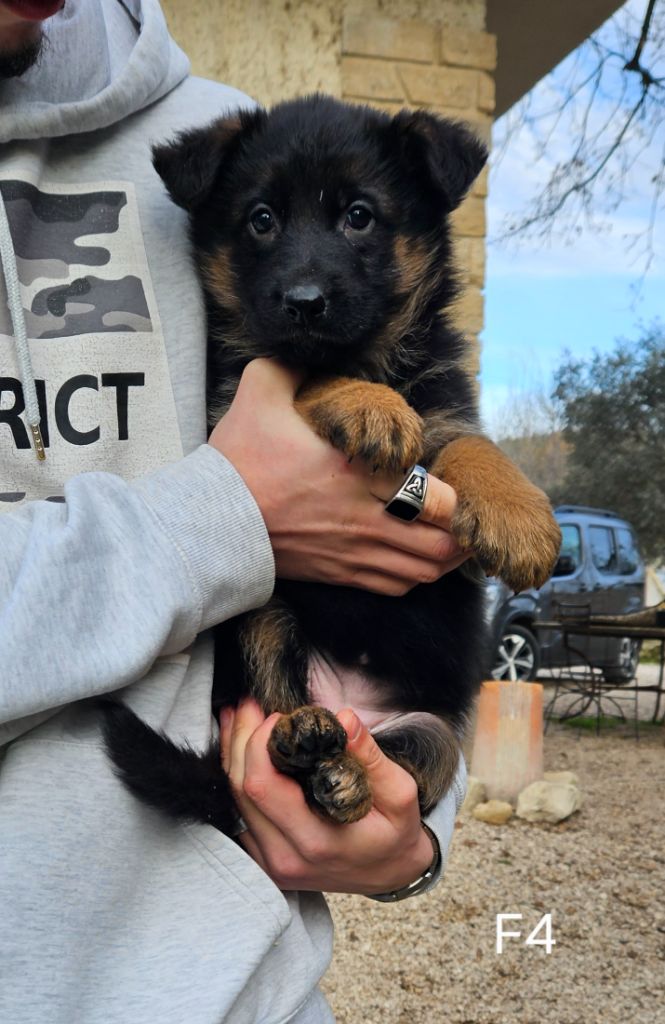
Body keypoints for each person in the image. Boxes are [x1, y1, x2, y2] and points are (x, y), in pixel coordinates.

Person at [0, 2, 469, 1021]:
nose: (299, 274)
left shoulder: (232, 142)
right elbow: (262, 502)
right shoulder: (225, 171)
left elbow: (402, 546)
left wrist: (409, 826)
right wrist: (216, 515)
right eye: (266, 231)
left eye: (350, 221)